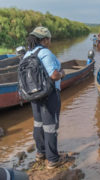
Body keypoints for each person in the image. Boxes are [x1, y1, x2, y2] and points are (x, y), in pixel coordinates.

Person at [24, 26, 65, 169]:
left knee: (38, 124)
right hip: (48, 95)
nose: (50, 42)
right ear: (45, 40)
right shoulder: (45, 53)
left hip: (33, 95)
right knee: (50, 127)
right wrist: (62, 74)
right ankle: (53, 159)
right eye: (50, 39)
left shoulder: (28, 53)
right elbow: (53, 75)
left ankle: (40, 153)